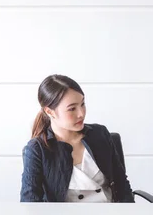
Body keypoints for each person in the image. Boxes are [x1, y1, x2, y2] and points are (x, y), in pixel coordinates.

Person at [21, 74, 134, 202]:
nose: (81, 114)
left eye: (83, 104)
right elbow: (29, 202)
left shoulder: (100, 134)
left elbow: (122, 184)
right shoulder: (37, 149)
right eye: (72, 109)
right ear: (50, 112)